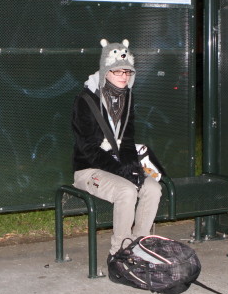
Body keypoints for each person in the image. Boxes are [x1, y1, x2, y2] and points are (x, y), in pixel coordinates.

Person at [71, 38, 166, 264]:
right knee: (127, 191)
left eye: (127, 72)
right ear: (106, 72)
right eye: (118, 72)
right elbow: (88, 149)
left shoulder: (127, 98)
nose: (124, 76)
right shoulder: (85, 101)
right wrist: (122, 170)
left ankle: (140, 245)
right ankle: (119, 253)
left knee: (152, 188)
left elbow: (127, 139)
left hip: (117, 166)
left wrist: (132, 168)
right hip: (88, 169)